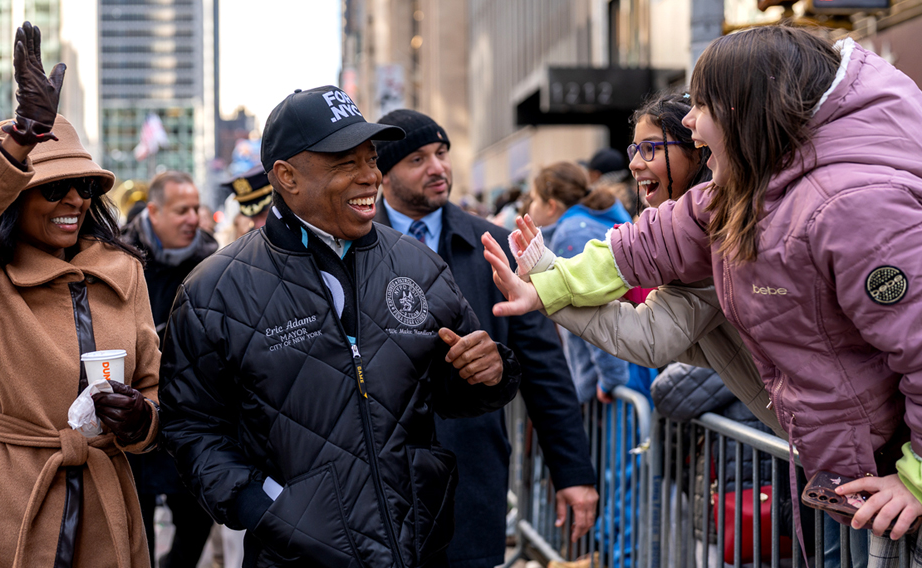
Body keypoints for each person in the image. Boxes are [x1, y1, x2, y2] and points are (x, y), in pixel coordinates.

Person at [484, 24, 922, 551]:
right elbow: (643, 244)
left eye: (704, 105)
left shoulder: (856, 203)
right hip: (843, 475)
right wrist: (549, 285)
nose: (689, 119)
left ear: (745, 109)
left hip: (887, 481)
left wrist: (915, 478)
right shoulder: (742, 189)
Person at [159, 85, 522, 567]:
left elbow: (450, 393)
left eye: (371, 159)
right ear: (286, 176)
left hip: (420, 548)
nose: (370, 176)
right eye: (345, 163)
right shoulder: (213, 291)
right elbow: (190, 425)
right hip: (294, 557)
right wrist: (262, 504)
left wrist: (489, 372)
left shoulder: (418, 263)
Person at [0, 23, 160, 566]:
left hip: (105, 511)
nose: (73, 198)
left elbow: (155, 386)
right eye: (53, 188)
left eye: (86, 187)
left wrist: (142, 420)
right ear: (13, 199)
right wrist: (17, 145)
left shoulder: (124, 272)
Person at [372, 109, 599, 568]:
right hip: (379, 486)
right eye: (417, 159)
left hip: (470, 475)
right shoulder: (354, 249)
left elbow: (544, 368)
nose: (437, 167)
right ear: (382, 174)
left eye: (441, 153)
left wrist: (572, 472)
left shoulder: (492, 246)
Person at [121, 170, 218, 567]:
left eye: (195, 208)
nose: (193, 218)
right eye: (182, 210)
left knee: (198, 521)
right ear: (154, 211)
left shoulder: (215, 264)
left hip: (190, 418)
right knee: (132, 530)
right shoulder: (119, 260)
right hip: (130, 418)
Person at [526, 161, 632, 404]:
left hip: (609, 382)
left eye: (534, 199)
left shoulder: (572, 233)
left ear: (551, 205)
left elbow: (591, 306)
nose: (530, 207)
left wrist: (610, 380)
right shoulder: (585, 223)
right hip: (616, 367)